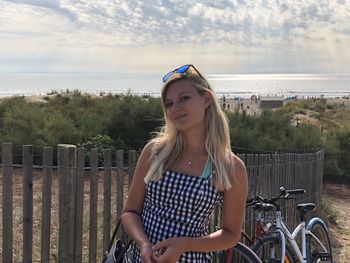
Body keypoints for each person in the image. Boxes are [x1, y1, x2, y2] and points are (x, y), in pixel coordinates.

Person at [121, 64, 248, 262]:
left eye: (184, 98)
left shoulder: (229, 166)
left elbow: (231, 235)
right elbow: (130, 213)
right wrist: (144, 244)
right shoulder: (155, 153)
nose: (175, 108)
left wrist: (184, 245)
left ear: (206, 99)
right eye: (169, 103)